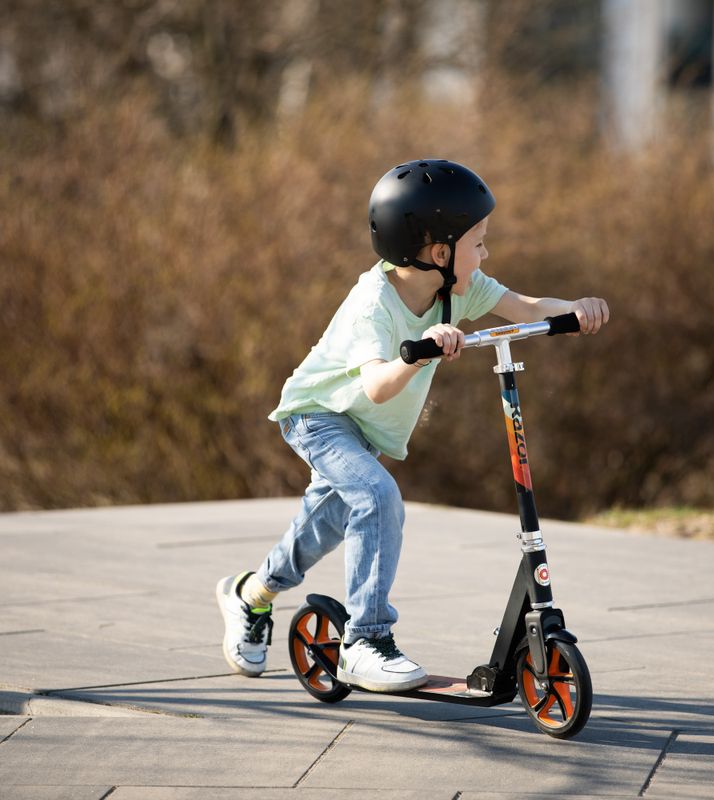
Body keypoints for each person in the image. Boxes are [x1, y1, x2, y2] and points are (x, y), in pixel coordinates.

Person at [216, 158, 609, 692]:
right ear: (438, 251)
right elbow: (376, 385)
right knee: (377, 497)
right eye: (479, 242)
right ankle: (365, 642)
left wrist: (576, 309)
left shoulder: (459, 288)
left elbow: (524, 305)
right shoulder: (371, 305)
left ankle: (251, 593)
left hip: (366, 431)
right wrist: (420, 355)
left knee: (323, 527)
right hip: (320, 416)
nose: (486, 253)